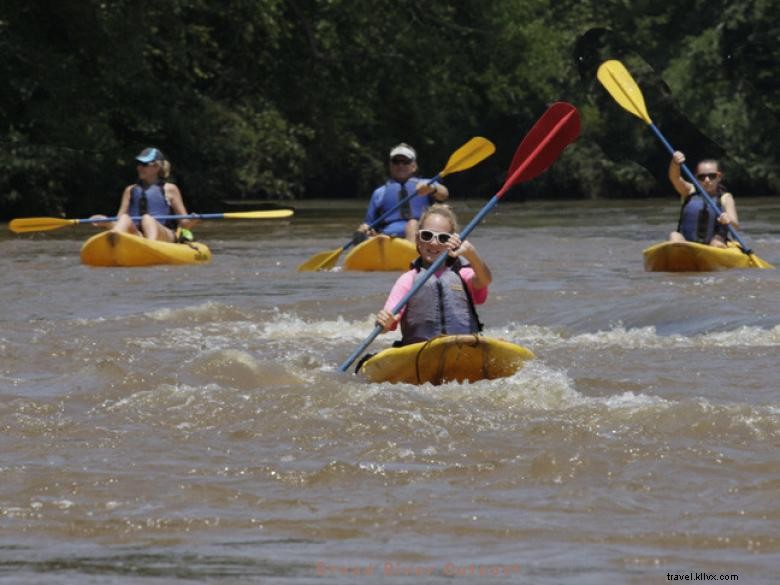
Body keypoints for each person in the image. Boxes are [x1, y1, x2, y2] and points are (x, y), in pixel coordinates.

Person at [374, 204, 491, 346]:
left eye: (443, 238)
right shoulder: (408, 280)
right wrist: (385, 321)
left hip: (464, 348)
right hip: (422, 351)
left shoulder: (462, 274)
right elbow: (388, 321)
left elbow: (485, 280)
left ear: (453, 242)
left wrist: (471, 254)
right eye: (427, 235)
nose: (434, 243)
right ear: (417, 239)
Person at [92, 147, 197, 242]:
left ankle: (150, 246)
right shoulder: (130, 190)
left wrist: (192, 220)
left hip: (165, 234)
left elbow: (184, 223)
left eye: (144, 164)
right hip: (139, 235)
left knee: (147, 219)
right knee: (125, 218)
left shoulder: (170, 189)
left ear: (156, 167)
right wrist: (107, 222)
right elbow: (119, 220)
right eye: (139, 164)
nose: (139, 168)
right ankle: (113, 242)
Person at [356, 143, 449, 242]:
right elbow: (369, 223)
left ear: (414, 166)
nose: (400, 165)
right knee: (363, 233)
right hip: (388, 238)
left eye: (405, 162)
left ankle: (413, 255)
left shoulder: (427, 184)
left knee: (412, 224)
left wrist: (432, 189)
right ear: (390, 165)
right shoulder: (379, 192)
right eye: (396, 161)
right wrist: (364, 230)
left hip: (422, 237)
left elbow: (444, 195)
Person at [668, 151, 738, 248]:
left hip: (714, 243)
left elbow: (735, 224)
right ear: (696, 178)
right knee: (674, 235)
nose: (707, 180)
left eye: (712, 176)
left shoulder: (726, 198)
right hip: (686, 242)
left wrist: (728, 220)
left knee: (716, 243)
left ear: (719, 177)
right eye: (702, 177)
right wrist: (675, 163)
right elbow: (674, 178)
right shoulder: (689, 191)